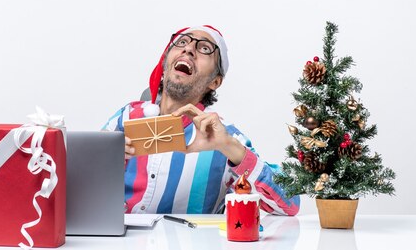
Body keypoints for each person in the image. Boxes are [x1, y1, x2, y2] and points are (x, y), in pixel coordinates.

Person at [102, 25, 300, 215]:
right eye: (182, 42)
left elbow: (291, 203)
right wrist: (105, 164)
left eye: (204, 48)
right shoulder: (125, 118)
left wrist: (230, 147)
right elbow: (80, 184)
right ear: (164, 65)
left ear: (215, 82)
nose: (188, 49)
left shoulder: (222, 137)